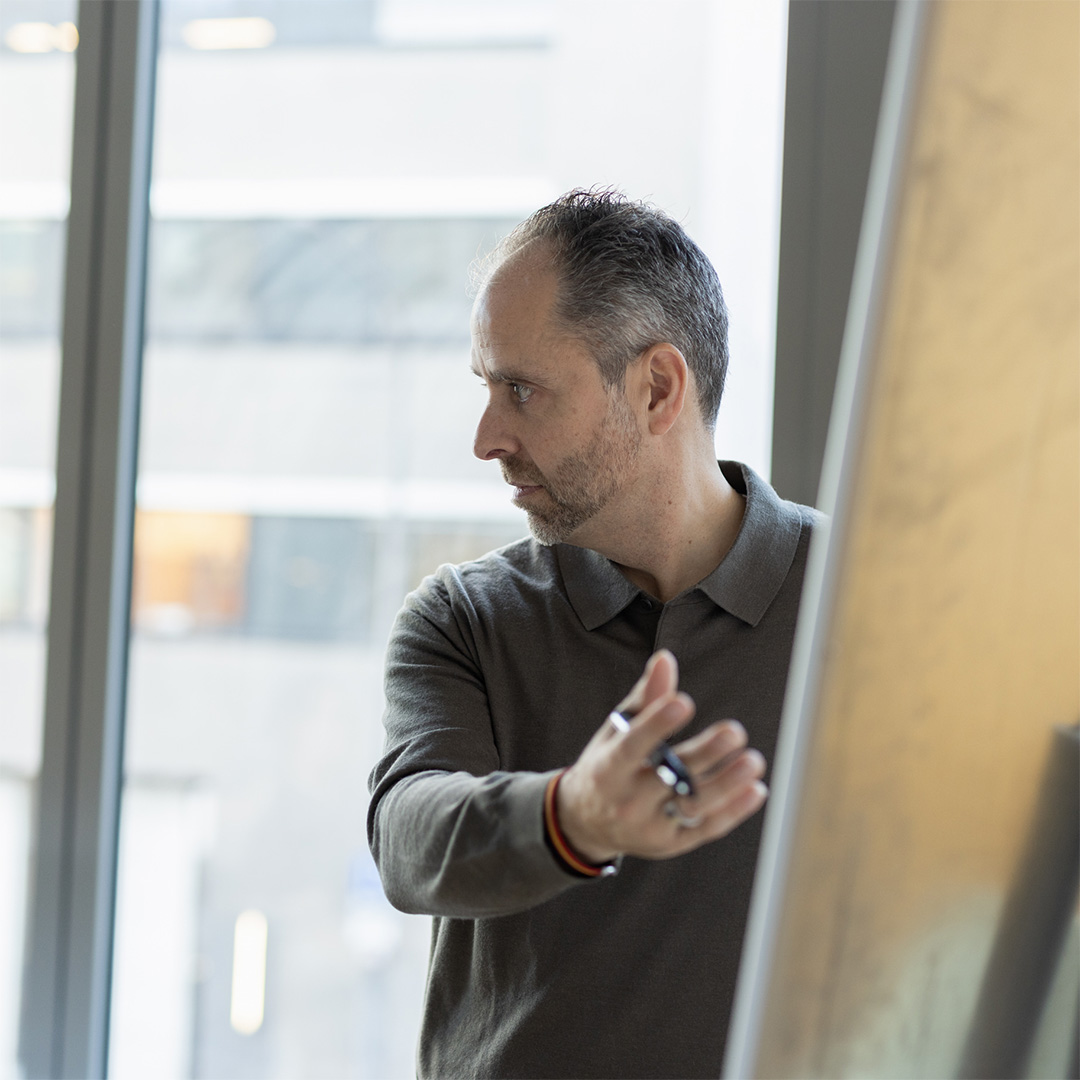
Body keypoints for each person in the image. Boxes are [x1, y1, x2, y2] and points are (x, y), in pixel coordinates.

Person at [367, 189, 819, 1079]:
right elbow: (409, 842)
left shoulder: (858, 603)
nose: (487, 436)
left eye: (521, 389)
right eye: (487, 388)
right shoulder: (462, 617)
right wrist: (573, 817)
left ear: (657, 389)